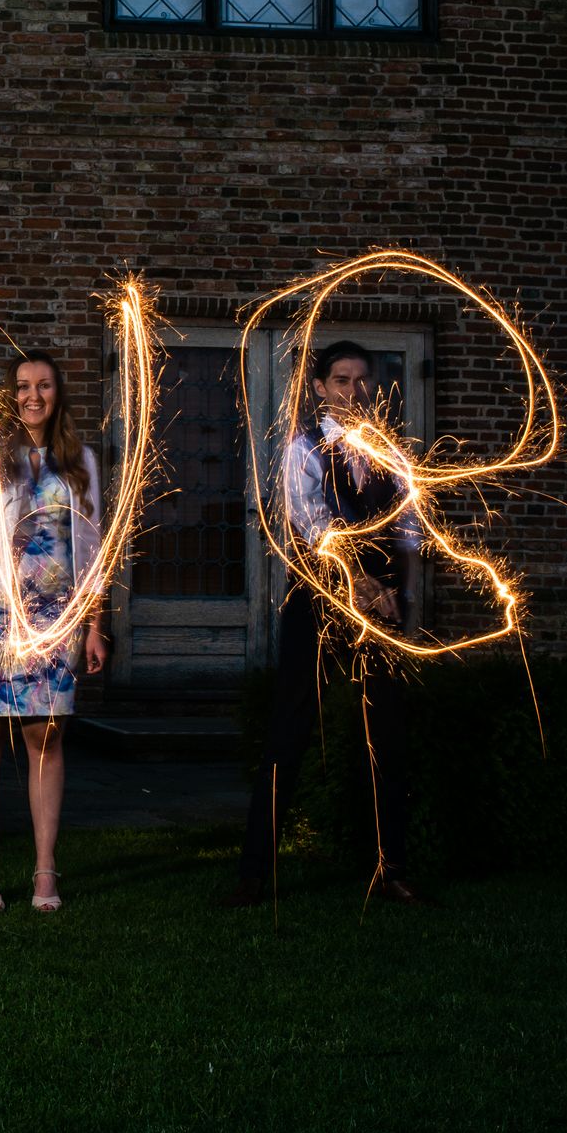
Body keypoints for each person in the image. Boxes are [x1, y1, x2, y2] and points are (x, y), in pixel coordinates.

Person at [223, 340, 427, 907]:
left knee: (387, 737)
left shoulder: (394, 455)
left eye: (363, 380)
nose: (354, 390)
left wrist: (406, 603)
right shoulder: (304, 449)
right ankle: (253, 874)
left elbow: (408, 535)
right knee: (288, 734)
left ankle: (393, 872)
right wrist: (361, 587)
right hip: (319, 607)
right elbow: (313, 528)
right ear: (319, 388)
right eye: (341, 379)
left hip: (384, 613)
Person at [0, 353, 107, 912]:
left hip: (54, 613)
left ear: (59, 393)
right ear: (11, 395)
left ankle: (44, 871)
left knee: (46, 738)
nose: (33, 396)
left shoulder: (80, 460)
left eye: (44, 386)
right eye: (23, 387)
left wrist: (95, 627)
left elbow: (93, 546)